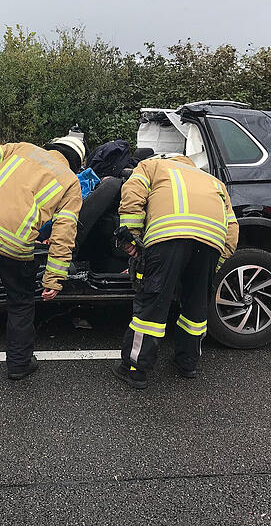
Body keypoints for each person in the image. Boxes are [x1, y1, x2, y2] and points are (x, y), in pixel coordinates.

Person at [0, 136, 85, 379]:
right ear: (76, 163)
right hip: (16, 247)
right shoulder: (71, 182)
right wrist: (54, 278)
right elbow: (64, 232)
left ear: (51, 145)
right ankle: (19, 365)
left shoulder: (22, 149)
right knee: (20, 305)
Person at [111, 155, 239, 388]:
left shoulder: (152, 166)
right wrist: (217, 263)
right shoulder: (213, 181)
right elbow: (232, 227)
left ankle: (135, 370)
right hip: (210, 243)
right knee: (196, 305)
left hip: (167, 236)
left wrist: (131, 237)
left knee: (153, 304)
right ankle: (187, 364)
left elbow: (133, 193)